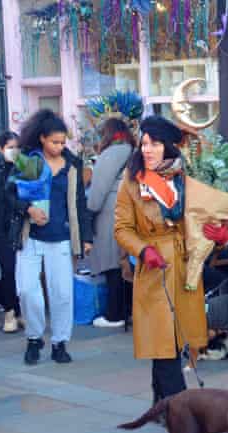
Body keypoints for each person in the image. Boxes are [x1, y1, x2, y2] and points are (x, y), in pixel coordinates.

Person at [114, 116, 228, 403]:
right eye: (143, 143)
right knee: (163, 338)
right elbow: (122, 228)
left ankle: (160, 403)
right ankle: (182, 408)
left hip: (185, 266)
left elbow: (199, 223)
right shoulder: (131, 182)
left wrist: (217, 234)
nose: (147, 150)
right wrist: (143, 250)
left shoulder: (185, 180)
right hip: (155, 269)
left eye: (154, 144)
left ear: (168, 147)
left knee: (174, 339)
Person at [15, 110, 93, 365]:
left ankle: (60, 341)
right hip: (30, 236)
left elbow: (81, 202)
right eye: (54, 142)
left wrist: (86, 237)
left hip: (61, 236)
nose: (59, 147)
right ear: (41, 139)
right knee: (27, 291)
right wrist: (29, 209)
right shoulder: (28, 161)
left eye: (62, 142)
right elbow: (10, 196)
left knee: (61, 293)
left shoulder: (72, 165)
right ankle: (34, 337)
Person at [87, 118, 135, 328]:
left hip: (111, 211)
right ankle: (128, 311)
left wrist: (89, 211)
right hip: (128, 208)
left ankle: (115, 314)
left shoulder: (113, 153)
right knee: (124, 262)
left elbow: (98, 188)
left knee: (112, 264)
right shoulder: (132, 149)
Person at [0, 131, 23, 333]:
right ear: (1, 148)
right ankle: (10, 311)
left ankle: (17, 311)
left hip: (16, 225)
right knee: (9, 269)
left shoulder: (23, 168)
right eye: (10, 147)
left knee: (16, 271)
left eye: (17, 147)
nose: (14, 151)